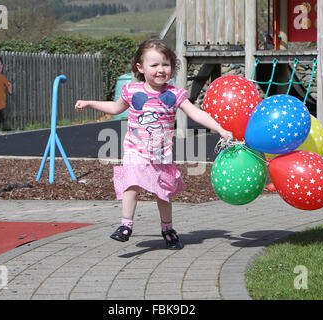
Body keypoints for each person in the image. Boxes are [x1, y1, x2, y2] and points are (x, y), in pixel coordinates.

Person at [75, 38, 232, 250]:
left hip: (161, 154)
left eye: (166, 64)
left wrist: (220, 128)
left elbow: (196, 112)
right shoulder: (131, 91)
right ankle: (125, 225)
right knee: (131, 183)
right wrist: (89, 103)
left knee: (162, 193)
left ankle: (167, 229)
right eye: (154, 65)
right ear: (141, 68)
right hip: (135, 150)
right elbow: (114, 108)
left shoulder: (175, 94)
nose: (161, 70)